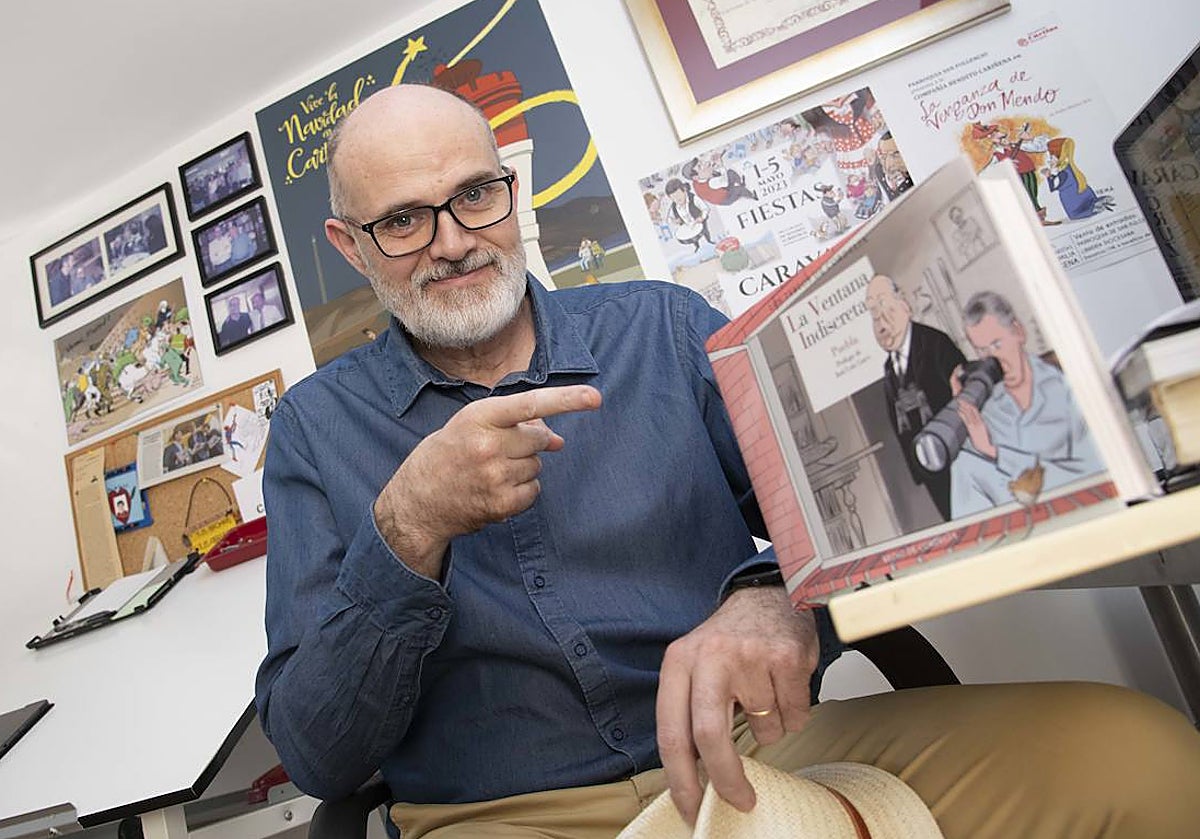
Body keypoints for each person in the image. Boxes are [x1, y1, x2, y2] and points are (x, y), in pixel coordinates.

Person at [255, 84, 1200, 839]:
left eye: (474, 195)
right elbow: (320, 755)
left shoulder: (664, 330)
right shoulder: (313, 429)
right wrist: (408, 525)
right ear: (352, 247)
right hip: (499, 812)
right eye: (406, 221)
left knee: (1144, 758)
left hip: (763, 754)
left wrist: (770, 596)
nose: (457, 242)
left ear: (514, 188)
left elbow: (843, 517)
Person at [949, 290, 1107, 518]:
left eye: (997, 344)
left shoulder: (1060, 386)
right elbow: (976, 466)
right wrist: (961, 407)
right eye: (982, 350)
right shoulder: (992, 404)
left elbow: (1082, 471)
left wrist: (994, 451)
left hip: (1079, 503)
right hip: (1026, 515)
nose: (993, 358)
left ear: (1018, 332)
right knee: (963, 465)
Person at [866, 275, 965, 522]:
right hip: (929, 466)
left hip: (960, 457)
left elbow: (964, 395)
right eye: (874, 315)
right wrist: (918, 470)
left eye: (885, 307)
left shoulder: (934, 343)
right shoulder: (889, 369)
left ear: (905, 307)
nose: (881, 323)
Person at [1042, 137, 1116, 220]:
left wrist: (1048, 176)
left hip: (1072, 199)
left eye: (1051, 157)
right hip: (1083, 194)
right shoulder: (1070, 167)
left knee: (1074, 215)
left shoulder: (1063, 173)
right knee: (1088, 202)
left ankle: (1092, 209)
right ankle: (1094, 203)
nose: (1049, 161)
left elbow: (1053, 187)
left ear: (1060, 156)